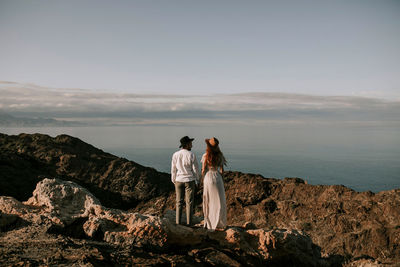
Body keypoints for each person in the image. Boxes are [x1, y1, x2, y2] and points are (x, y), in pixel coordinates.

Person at [171, 136, 200, 226]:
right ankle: (189, 223)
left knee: (178, 202)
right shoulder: (191, 154)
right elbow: (195, 169)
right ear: (187, 144)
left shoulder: (175, 154)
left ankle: (178, 223)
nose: (192, 144)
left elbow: (173, 169)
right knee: (189, 202)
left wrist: (174, 179)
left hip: (178, 180)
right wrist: (197, 180)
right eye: (190, 143)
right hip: (189, 180)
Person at [201, 137, 227, 231]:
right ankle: (220, 223)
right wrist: (221, 179)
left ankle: (209, 222)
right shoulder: (220, 155)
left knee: (208, 200)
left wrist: (202, 179)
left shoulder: (205, 156)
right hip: (217, 177)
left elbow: (203, 170)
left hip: (208, 178)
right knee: (219, 200)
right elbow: (222, 170)